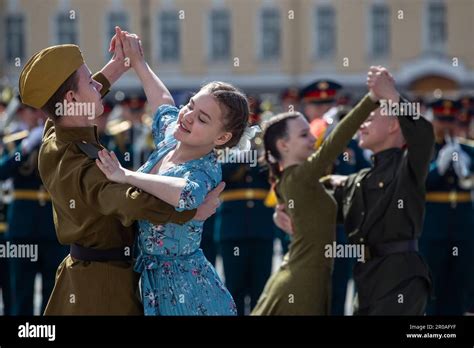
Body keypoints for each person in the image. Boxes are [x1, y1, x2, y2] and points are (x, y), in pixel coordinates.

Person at [18, 27, 221, 315]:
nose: (98, 86)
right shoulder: (80, 164)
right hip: (104, 288)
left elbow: (73, 98)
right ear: (73, 100)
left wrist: (119, 64)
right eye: (90, 82)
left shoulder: (57, 133)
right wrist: (189, 212)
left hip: (88, 276)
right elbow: (127, 199)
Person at [95, 31, 250, 315]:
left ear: (221, 138)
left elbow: (187, 194)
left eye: (202, 118)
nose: (188, 115)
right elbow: (164, 102)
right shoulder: (171, 139)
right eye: (191, 104)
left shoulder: (204, 168)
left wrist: (126, 175)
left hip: (183, 291)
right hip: (147, 280)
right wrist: (138, 61)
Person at [275, 67, 435, 315]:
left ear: (393, 126)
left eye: (370, 119)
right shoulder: (357, 180)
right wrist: (283, 209)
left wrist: (391, 96)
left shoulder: (407, 168)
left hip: (401, 279)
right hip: (366, 277)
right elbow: (310, 197)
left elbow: (423, 134)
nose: (362, 124)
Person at [250, 68, 388, 315]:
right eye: (304, 135)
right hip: (303, 282)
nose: (313, 139)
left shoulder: (293, 179)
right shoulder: (302, 175)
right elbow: (336, 142)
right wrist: (372, 98)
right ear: (284, 145)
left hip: (307, 276)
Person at [0, 105, 68, 315]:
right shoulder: (13, 142)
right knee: (21, 293)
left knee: (53, 292)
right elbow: (2, 172)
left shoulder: (58, 141)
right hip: (22, 228)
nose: (39, 116)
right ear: (21, 112)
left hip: (52, 227)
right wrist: (27, 146)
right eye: (33, 110)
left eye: (42, 110)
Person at [420, 98, 474, 315]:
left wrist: (466, 171)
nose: (446, 125)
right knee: (433, 285)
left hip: (463, 226)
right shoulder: (423, 150)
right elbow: (416, 186)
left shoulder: (467, 150)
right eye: (441, 119)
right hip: (433, 227)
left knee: (460, 285)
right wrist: (436, 169)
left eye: (450, 119)